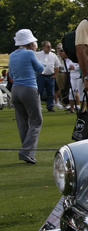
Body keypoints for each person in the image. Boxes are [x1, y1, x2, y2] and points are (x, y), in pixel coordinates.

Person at [9, 29, 44, 164]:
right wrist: (35, 54)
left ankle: (27, 152)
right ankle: (26, 151)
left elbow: (11, 75)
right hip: (29, 89)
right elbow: (40, 69)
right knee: (36, 121)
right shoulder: (29, 53)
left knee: (23, 122)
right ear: (30, 42)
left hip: (15, 90)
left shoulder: (12, 55)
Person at [35, 40, 60, 111]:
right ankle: (37, 106)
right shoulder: (37, 54)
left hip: (50, 76)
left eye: (50, 47)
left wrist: (55, 74)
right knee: (39, 92)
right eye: (48, 47)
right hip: (41, 76)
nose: (49, 48)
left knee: (51, 93)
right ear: (43, 47)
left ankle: (50, 106)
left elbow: (57, 66)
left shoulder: (53, 55)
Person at [61, 48, 82, 114]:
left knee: (81, 92)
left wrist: (74, 67)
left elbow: (81, 66)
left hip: (79, 76)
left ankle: (82, 108)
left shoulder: (79, 58)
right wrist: (72, 68)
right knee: (71, 92)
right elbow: (67, 68)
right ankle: (72, 108)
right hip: (72, 77)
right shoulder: (69, 60)